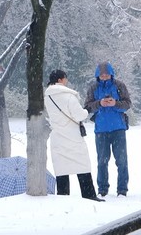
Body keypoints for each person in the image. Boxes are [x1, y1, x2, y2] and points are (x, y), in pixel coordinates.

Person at [45, 68, 105, 201]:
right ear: (60, 79)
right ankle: (88, 194)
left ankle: (63, 195)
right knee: (82, 165)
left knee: (62, 168)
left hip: (58, 136)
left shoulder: (47, 97)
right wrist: (86, 110)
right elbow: (79, 115)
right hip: (72, 136)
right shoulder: (68, 96)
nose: (67, 81)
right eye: (65, 78)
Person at [84, 62, 132, 198]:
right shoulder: (93, 88)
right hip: (101, 130)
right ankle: (102, 189)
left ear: (111, 74)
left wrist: (115, 104)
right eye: (101, 75)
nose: (104, 77)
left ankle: (122, 190)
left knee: (122, 161)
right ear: (97, 75)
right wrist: (99, 103)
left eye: (106, 74)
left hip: (118, 129)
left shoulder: (119, 86)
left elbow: (127, 104)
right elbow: (87, 107)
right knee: (102, 161)